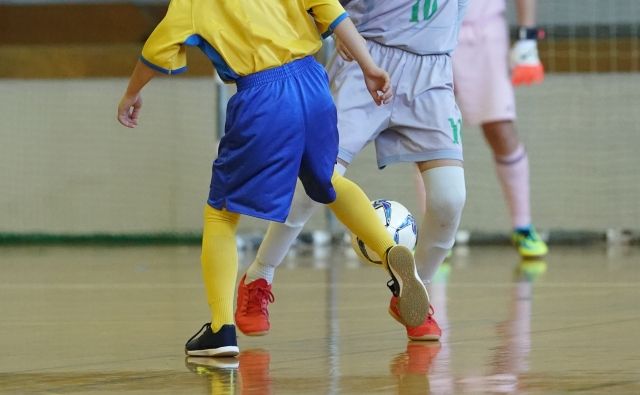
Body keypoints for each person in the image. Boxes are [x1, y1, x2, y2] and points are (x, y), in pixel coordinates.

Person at [117, 0, 430, 357]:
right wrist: (370, 67)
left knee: (220, 212)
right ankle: (390, 252)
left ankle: (221, 329)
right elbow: (331, 10)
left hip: (262, 95)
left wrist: (132, 92)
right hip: (313, 85)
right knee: (326, 182)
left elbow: (155, 51)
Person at [235, 0, 469, 342]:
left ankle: (413, 294)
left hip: (431, 73)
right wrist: (335, 27)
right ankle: (259, 275)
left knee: (450, 199)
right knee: (314, 182)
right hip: (367, 60)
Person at [445, 0, 548, 258]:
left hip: (484, 29)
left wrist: (527, 36)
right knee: (431, 133)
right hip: (431, 29)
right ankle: (437, 236)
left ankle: (523, 226)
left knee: (500, 128)